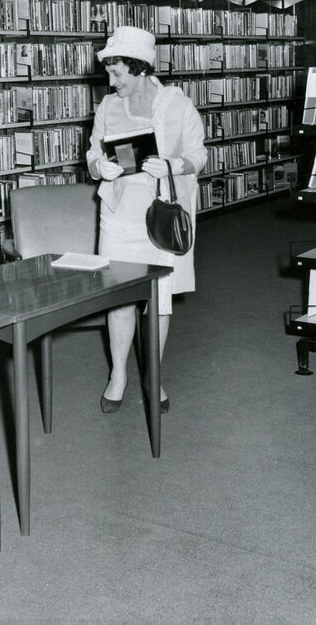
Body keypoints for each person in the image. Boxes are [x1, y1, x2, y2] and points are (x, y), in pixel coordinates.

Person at [86, 26, 208, 414]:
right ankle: (118, 375)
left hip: (162, 216)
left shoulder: (178, 104)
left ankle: (152, 375)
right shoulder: (107, 107)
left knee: (159, 298)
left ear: (138, 68)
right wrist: (100, 168)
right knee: (120, 297)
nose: (111, 81)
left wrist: (172, 165)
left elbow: (199, 155)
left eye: (117, 72)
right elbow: (92, 154)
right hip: (119, 214)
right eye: (109, 72)